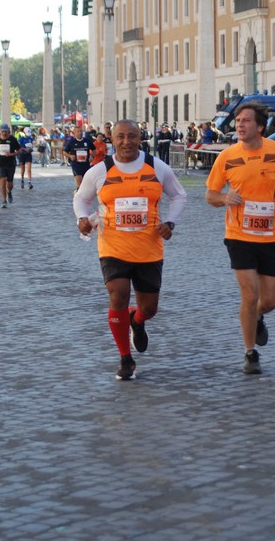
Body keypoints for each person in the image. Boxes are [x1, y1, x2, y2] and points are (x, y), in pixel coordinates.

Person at [73, 119, 187, 381]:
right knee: (118, 295)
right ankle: (125, 357)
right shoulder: (100, 171)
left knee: (149, 308)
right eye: (121, 136)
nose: (126, 142)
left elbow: (178, 195)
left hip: (149, 248)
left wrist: (170, 222)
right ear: (112, 139)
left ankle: (137, 320)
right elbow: (81, 197)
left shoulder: (156, 166)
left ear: (140, 138)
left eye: (132, 136)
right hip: (112, 246)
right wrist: (81, 218)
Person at [205, 101, 275, 375]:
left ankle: (258, 316)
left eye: (246, 121)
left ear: (260, 126)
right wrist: (224, 197)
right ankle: (249, 352)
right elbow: (210, 195)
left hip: (271, 236)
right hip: (239, 235)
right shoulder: (227, 157)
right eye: (238, 120)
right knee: (249, 292)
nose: (240, 125)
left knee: (270, 301)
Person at [0, 123, 21, 208]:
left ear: (8, 130)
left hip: (11, 164)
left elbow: (19, 151)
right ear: (0, 131)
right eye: (2, 131)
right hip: (1, 164)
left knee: (10, 184)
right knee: (2, 180)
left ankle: (9, 192)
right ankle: (4, 200)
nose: (4, 133)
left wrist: (11, 154)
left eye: (5, 131)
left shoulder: (12, 139)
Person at [63, 124, 95, 190]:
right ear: (74, 133)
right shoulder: (71, 142)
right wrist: (70, 156)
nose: (79, 133)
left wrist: (92, 156)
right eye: (77, 131)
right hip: (76, 164)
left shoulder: (87, 141)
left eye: (81, 131)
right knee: (79, 181)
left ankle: (79, 192)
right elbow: (64, 152)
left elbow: (94, 150)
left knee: (85, 182)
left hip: (86, 164)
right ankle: (79, 196)